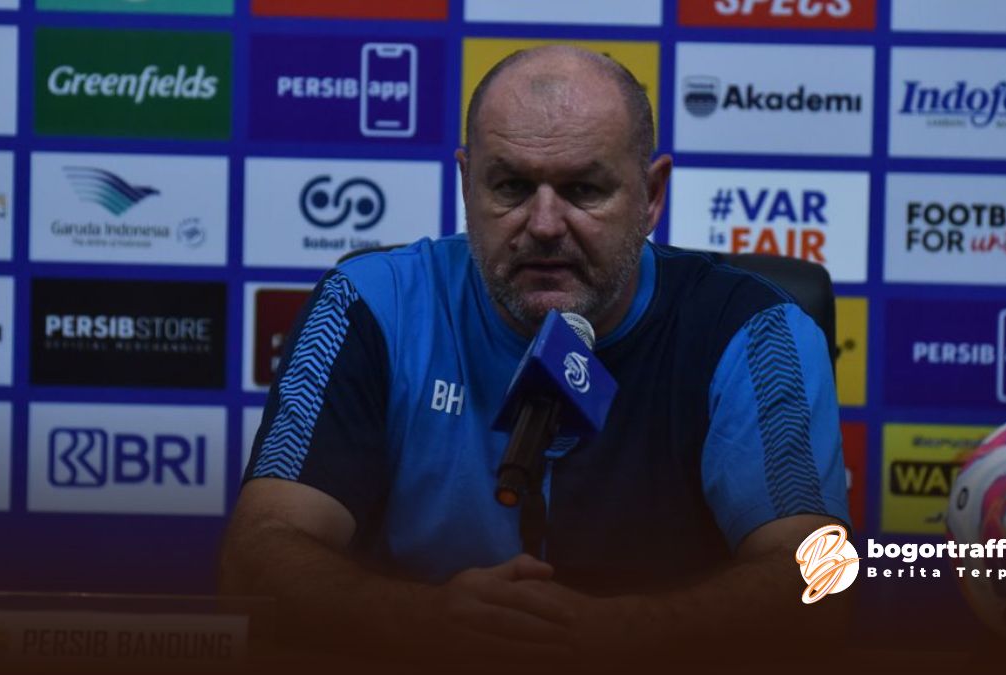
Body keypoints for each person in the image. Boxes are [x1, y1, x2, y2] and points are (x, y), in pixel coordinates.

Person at [221, 45, 850, 665]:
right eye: (512, 187)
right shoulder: (366, 304)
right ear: (467, 185)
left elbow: (821, 579)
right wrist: (423, 620)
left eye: (583, 189)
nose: (545, 224)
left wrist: (627, 632)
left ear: (652, 195)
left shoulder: (753, 329)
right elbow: (257, 554)